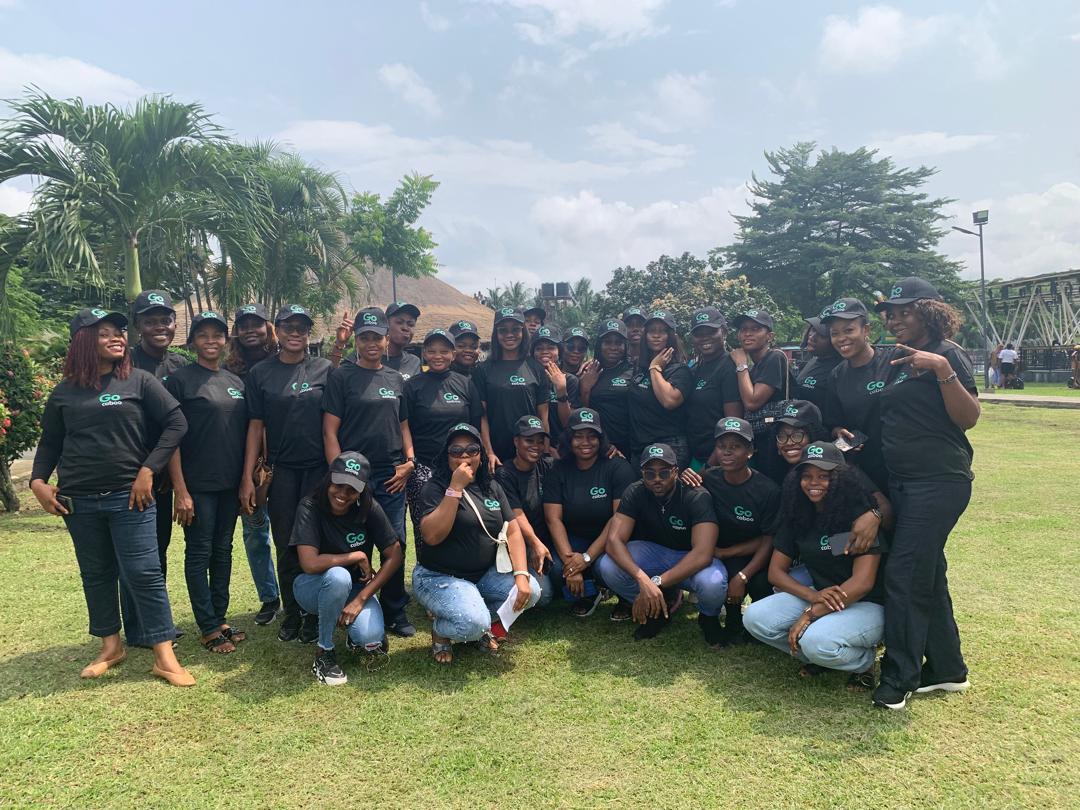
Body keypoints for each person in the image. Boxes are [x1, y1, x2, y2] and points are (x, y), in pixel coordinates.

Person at [30, 308, 194, 686]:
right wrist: (37, 482)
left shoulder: (138, 381)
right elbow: (51, 442)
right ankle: (110, 646)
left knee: (145, 573)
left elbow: (176, 423)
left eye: (118, 331)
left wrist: (148, 470)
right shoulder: (63, 392)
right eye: (104, 333)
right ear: (83, 342)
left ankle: (164, 654)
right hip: (78, 501)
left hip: (130, 498)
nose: (117, 337)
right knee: (97, 574)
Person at [870, 277, 980, 710]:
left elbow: (969, 417)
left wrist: (940, 369)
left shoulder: (946, 353)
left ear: (929, 312)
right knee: (927, 573)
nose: (895, 320)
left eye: (905, 312)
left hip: (937, 482)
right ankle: (948, 669)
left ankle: (900, 677)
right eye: (891, 313)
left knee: (904, 574)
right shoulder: (896, 358)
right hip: (903, 483)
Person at [744, 442, 885, 691]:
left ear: (841, 478)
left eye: (823, 476)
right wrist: (813, 597)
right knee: (755, 618)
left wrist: (810, 614)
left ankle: (864, 662)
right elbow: (776, 572)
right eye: (807, 476)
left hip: (867, 603)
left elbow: (863, 583)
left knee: (816, 641)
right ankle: (821, 658)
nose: (813, 483)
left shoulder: (859, 516)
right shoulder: (798, 512)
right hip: (822, 594)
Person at [323, 306, 417, 638]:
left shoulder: (395, 378)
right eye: (364, 337)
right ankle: (350, 603)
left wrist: (409, 460)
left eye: (377, 337)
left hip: (391, 475)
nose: (371, 343)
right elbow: (330, 431)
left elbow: (403, 426)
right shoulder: (342, 377)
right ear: (356, 341)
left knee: (394, 542)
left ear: (386, 339)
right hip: (353, 477)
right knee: (353, 540)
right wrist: (339, 477)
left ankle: (394, 610)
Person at [240, 304, 332, 644]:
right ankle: (293, 611)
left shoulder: (324, 369)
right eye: (288, 327)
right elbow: (255, 426)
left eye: (302, 327)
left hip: (317, 470)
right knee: (285, 543)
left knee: (316, 541)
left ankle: (314, 611)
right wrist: (248, 476)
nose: (295, 333)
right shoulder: (261, 373)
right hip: (281, 472)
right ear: (276, 331)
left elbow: (333, 423)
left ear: (308, 333)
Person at [415, 424, 542, 663]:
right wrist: (455, 488)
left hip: (482, 575)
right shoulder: (434, 488)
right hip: (439, 577)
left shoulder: (491, 487)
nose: (464, 455)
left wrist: (521, 575)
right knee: (472, 623)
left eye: (472, 449)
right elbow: (432, 536)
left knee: (531, 590)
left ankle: (482, 623)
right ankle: (442, 630)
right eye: (456, 450)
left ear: (480, 455)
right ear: (447, 456)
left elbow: (513, 530)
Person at [164, 311, 248, 654]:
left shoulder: (236, 382)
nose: (211, 340)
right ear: (192, 341)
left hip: (230, 483)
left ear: (226, 341)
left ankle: (220, 618)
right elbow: (170, 438)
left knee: (223, 550)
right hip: (197, 485)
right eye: (203, 335)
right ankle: (207, 626)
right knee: (199, 552)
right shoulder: (179, 381)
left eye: (217, 335)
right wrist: (180, 490)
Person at [291, 452, 403, 685]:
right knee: (338, 577)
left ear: (361, 490)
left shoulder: (368, 507)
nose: (343, 494)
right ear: (329, 479)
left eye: (352, 489)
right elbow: (310, 563)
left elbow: (395, 555)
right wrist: (355, 555)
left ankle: (353, 630)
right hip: (312, 587)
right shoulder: (310, 506)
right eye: (338, 484)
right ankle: (324, 652)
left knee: (370, 639)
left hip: (354, 589)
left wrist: (362, 598)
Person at [598, 443, 727, 643]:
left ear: (675, 471)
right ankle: (656, 610)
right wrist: (642, 580)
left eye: (664, 473)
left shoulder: (695, 495)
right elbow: (614, 541)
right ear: (642, 473)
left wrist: (655, 582)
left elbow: (703, 554)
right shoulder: (635, 491)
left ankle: (708, 618)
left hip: (691, 558)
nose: (657, 479)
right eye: (650, 474)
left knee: (713, 583)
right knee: (608, 565)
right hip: (656, 554)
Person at [680, 417, 781, 647]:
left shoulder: (768, 490)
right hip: (718, 552)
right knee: (723, 575)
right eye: (721, 446)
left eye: (735, 446)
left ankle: (757, 624)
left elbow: (769, 540)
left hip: (754, 553)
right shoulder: (708, 478)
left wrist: (743, 576)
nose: (727, 452)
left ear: (750, 451)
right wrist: (684, 480)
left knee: (760, 583)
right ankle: (722, 620)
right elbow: (682, 497)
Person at [125, 289, 189, 645]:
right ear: (138, 326)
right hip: (136, 473)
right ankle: (141, 628)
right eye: (151, 321)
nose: (160, 327)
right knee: (140, 555)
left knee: (158, 549)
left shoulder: (179, 366)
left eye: (165, 320)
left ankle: (154, 624)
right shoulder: (124, 364)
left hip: (170, 473)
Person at [543, 408, 636, 617]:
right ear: (569, 439)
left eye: (592, 436)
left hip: (612, 538)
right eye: (578, 436)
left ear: (601, 439)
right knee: (557, 569)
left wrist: (586, 558)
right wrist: (571, 564)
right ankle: (590, 593)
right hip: (575, 538)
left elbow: (618, 518)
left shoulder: (618, 467)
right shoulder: (558, 469)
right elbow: (553, 519)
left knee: (605, 566)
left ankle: (623, 594)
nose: (585, 442)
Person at [225, 303, 281, 626]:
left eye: (256, 324)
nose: (250, 330)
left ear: (268, 327)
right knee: (255, 532)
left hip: (283, 459)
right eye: (243, 325)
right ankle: (269, 597)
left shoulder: (283, 361)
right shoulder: (228, 371)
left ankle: (297, 595)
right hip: (244, 463)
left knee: (291, 531)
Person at [404, 327, 484, 542]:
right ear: (424, 353)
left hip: (461, 466)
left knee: (464, 524)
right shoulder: (412, 386)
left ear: (453, 354)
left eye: (444, 351)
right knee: (427, 529)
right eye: (432, 351)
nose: (437, 356)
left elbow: (476, 425)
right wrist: (411, 460)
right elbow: (404, 427)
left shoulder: (465, 383)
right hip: (425, 468)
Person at [822, 298, 894, 492]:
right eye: (835, 333)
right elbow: (834, 423)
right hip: (862, 471)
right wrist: (839, 432)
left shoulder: (892, 362)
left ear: (866, 330)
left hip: (900, 467)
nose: (841, 338)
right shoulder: (836, 375)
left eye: (848, 330)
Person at [473, 307, 551, 469]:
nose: (509, 335)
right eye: (503, 330)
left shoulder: (536, 368)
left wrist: (544, 451)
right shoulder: (483, 369)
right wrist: (489, 452)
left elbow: (543, 417)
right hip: (496, 455)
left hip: (529, 454)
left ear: (523, 332)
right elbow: (483, 416)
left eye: (515, 329)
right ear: (496, 334)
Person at [494, 417, 556, 602]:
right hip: (521, 543)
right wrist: (535, 544)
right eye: (529, 440)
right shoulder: (504, 474)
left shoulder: (548, 465)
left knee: (561, 572)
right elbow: (516, 514)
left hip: (548, 541)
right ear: (516, 441)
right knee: (544, 595)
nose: (536, 446)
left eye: (540, 441)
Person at [730, 308, 793, 482]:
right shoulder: (757, 365)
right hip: (764, 439)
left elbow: (752, 402)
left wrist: (741, 364)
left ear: (770, 336)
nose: (748, 333)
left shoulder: (774, 357)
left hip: (776, 440)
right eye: (743, 329)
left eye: (756, 329)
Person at [628, 310, 693, 468]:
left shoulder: (679, 370)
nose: (656, 335)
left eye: (662, 331)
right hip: (639, 447)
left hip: (670, 446)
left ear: (670, 336)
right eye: (652, 331)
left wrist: (655, 368)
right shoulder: (638, 368)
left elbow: (669, 401)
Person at [687, 306, 742, 470]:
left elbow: (732, 424)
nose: (704, 338)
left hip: (720, 461)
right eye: (699, 334)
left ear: (724, 332)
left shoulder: (729, 367)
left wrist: (709, 466)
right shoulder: (696, 368)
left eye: (711, 332)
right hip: (696, 455)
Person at [579, 319, 634, 459]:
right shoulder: (590, 370)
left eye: (618, 343)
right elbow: (585, 411)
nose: (613, 347)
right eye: (608, 342)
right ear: (600, 345)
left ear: (625, 345)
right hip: (598, 444)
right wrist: (585, 389)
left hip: (630, 444)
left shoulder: (634, 370)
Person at [530, 325, 578, 453]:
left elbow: (568, 423)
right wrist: (546, 448)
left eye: (551, 347)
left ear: (559, 351)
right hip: (533, 447)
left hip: (563, 449)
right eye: (539, 348)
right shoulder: (528, 381)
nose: (545, 352)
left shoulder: (570, 380)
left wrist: (561, 390)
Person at [795, 316, 842, 414]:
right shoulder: (813, 360)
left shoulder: (840, 369)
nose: (812, 337)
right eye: (813, 329)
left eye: (821, 335)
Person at [385, 301, 423, 381]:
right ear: (386, 324)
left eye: (410, 324)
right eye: (399, 322)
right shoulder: (371, 359)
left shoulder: (414, 362)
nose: (405, 328)